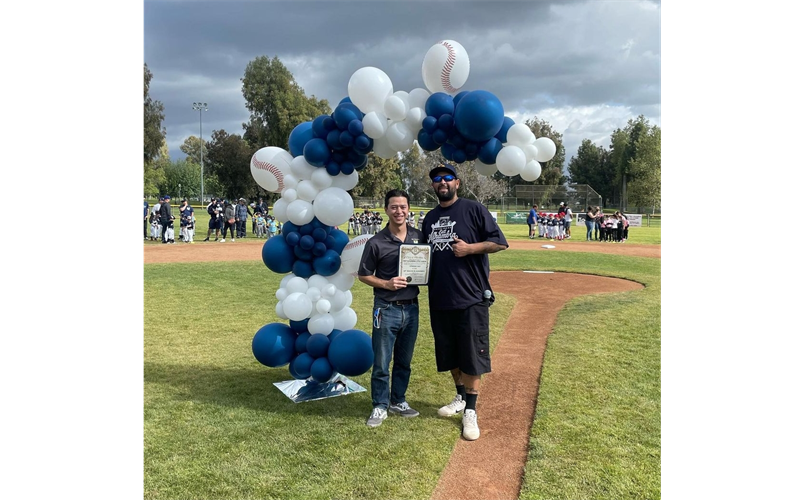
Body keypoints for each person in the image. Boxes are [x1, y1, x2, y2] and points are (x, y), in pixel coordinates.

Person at [422, 163, 508, 441]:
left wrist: (471, 249)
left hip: (471, 297)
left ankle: (471, 410)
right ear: (433, 186)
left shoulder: (473, 209)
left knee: (471, 356)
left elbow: (500, 243)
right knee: (449, 355)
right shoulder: (429, 218)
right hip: (440, 297)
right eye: (437, 179)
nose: (442, 182)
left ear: (457, 183)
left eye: (447, 178)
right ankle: (460, 397)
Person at [357, 189, 425, 428]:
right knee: (382, 362)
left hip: (412, 308)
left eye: (403, 207)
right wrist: (386, 283)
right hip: (386, 309)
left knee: (404, 361)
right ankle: (379, 405)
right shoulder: (376, 242)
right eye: (394, 207)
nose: (399, 211)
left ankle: (398, 400)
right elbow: (363, 275)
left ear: (409, 209)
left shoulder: (418, 236)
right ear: (386, 210)